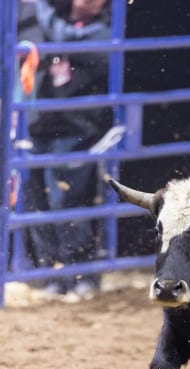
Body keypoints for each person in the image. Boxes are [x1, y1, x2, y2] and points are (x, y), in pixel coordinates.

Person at [21, 0, 112, 300]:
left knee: (66, 200)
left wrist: (40, 6)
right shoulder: (45, 30)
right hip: (41, 125)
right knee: (37, 201)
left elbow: (63, 37)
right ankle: (52, 275)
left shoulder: (100, 32)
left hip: (77, 129)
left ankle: (79, 273)